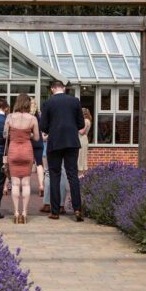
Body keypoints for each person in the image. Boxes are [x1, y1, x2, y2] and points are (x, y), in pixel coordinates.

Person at [39, 80, 85, 221]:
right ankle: (77, 210)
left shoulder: (48, 103)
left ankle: (55, 211)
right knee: (72, 175)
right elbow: (81, 124)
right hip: (72, 142)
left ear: (52, 89)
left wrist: (51, 130)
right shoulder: (75, 101)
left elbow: (43, 125)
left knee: (55, 175)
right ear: (63, 88)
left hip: (55, 142)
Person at [5, 93, 41, 224]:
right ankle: (24, 213)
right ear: (27, 104)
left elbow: (4, 135)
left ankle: (16, 213)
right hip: (27, 151)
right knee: (25, 183)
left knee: (15, 183)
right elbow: (37, 138)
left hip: (13, 151)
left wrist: (13, 133)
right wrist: (29, 134)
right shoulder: (32, 119)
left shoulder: (10, 117)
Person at [30, 96, 46, 196]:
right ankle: (41, 185)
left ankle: (24, 185)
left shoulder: (26, 116)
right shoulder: (39, 116)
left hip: (29, 142)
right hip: (39, 141)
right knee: (39, 164)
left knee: (27, 164)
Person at [78, 107, 92, 175]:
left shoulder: (86, 121)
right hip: (83, 139)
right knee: (81, 155)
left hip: (82, 139)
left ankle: (81, 174)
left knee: (81, 156)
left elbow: (81, 132)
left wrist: (75, 127)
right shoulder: (87, 120)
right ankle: (81, 173)